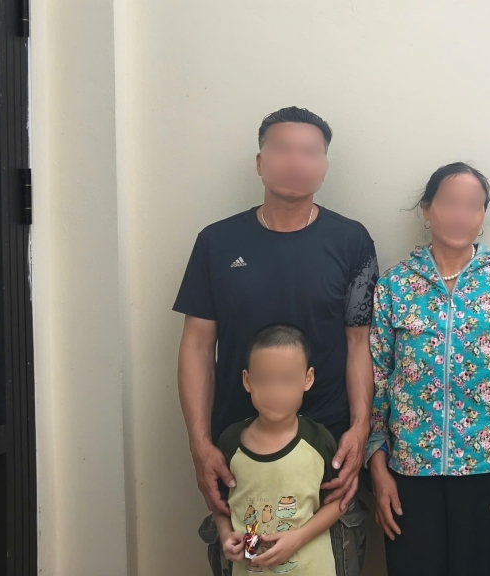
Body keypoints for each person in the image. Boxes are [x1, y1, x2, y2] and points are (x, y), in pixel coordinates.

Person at [174, 106, 378, 576]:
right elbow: (197, 346)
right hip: (240, 450)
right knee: (252, 564)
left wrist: (360, 427)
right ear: (260, 162)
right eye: (282, 149)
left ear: (324, 167)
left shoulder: (351, 241)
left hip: (328, 448)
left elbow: (359, 343)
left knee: (324, 562)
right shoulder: (217, 242)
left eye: (309, 152)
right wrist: (199, 442)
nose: (295, 162)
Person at [365, 162, 490, 576]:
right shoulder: (395, 284)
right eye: (449, 203)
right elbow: (376, 377)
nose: (461, 215)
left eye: (473, 206)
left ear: (482, 216)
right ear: (427, 210)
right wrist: (377, 466)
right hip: (408, 468)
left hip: (488, 468)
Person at [214, 324, 343, 575]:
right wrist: (225, 535)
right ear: (247, 380)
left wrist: (299, 537)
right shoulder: (230, 442)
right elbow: (219, 504)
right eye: (264, 380)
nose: (275, 392)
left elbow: (338, 502)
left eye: (287, 380)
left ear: (308, 379)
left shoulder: (318, 440)